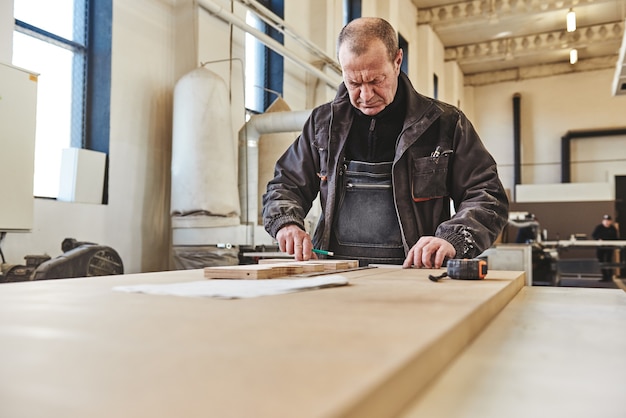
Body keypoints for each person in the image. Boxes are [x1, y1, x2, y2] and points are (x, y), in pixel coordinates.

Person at [262, 17, 509, 268]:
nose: (365, 96)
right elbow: (286, 184)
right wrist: (287, 223)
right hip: (335, 276)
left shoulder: (444, 124)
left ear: (397, 61)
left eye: (376, 81)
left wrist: (452, 238)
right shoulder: (323, 124)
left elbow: (486, 194)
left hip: (415, 275)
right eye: (354, 83)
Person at [591, 214, 619, 281]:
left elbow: (615, 238)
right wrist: (598, 239)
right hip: (600, 248)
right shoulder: (599, 227)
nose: (606, 222)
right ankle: (604, 276)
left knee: (608, 261)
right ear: (603, 221)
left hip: (609, 248)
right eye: (605, 220)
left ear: (611, 221)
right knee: (601, 261)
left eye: (608, 221)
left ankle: (610, 276)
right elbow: (594, 235)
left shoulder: (612, 228)